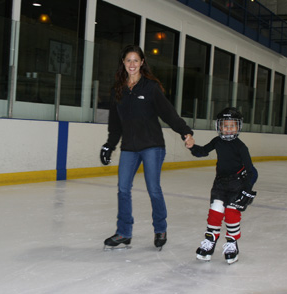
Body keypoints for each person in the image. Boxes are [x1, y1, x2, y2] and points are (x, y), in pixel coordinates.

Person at [100, 45, 194, 250]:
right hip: (129, 148)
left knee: (153, 189)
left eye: (136, 60)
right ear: (123, 63)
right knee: (123, 189)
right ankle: (124, 233)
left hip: (152, 146)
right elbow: (115, 124)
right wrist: (109, 145)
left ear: (142, 62)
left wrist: (185, 132)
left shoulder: (150, 88)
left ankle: (160, 229)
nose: (132, 64)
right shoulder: (118, 89)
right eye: (128, 60)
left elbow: (168, 113)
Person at [189, 107, 258, 264]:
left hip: (237, 184)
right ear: (219, 126)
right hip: (219, 183)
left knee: (231, 214)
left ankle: (232, 243)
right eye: (225, 126)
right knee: (215, 211)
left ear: (238, 127)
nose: (228, 129)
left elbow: (252, 172)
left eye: (232, 126)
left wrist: (247, 190)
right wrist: (192, 146)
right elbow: (202, 152)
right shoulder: (217, 141)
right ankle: (210, 241)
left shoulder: (241, 146)